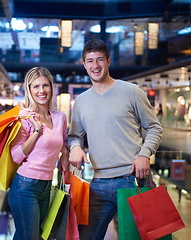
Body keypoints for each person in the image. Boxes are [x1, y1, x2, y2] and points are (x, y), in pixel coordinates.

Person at [67, 39, 163, 240]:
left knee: (147, 237)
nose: (95, 65)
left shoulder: (132, 91)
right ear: (84, 64)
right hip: (98, 183)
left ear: (108, 61)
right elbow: (74, 136)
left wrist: (145, 155)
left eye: (100, 59)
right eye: (90, 61)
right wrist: (75, 147)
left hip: (134, 178)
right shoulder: (82, 101)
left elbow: (154, 127)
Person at [8, 67, 69, 240]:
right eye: (36, 87)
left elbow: (62, 143)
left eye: (45, 85)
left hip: (47, 185)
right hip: (25, 186)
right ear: (29, 90)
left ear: (51, 87)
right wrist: (36, 131)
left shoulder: (60, 117)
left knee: (33, 236)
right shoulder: (25, 117)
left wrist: (65, 154)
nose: (41, 91)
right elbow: (16, 156)